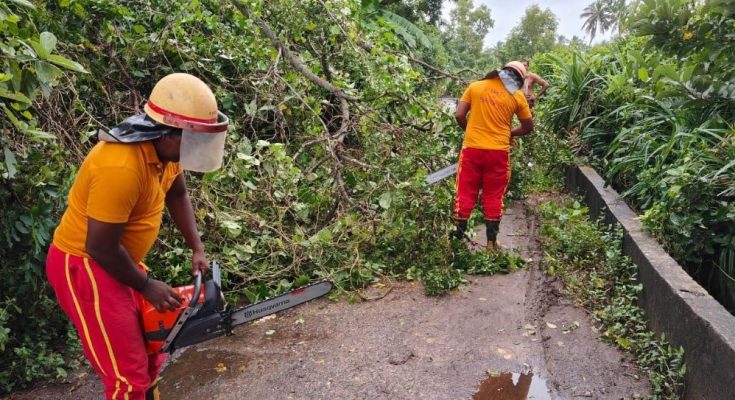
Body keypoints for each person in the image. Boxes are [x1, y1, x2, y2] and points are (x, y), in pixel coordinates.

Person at [45, 73, 229, 400]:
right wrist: (145, 285)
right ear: (170, 133)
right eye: (194, 140)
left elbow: (177, 195)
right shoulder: (120, 166)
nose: (198, 148)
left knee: (151, 353)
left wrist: (196, 247)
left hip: (118, 261)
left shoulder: (166, 154)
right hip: (86, 267)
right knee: (127, 377)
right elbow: (99, 246)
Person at [453, 61, 534, 252]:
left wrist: (470, 131)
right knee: (493, 196)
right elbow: (528, 127)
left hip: (472, 150)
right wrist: (509, 134)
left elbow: (458, 115)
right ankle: (491, 244)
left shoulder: (475, 87)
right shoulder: (517, 96)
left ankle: (456, 244)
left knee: (464, 193)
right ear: (519, 79)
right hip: (498, 154)